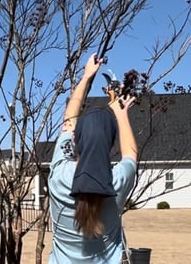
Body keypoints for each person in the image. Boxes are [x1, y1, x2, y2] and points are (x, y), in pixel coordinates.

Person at [48, 53, 138, 263]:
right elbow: (131, 154)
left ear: (76, 141)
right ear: (110, 143)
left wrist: (87, 76)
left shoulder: (60, 173)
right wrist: (121, 113)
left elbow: (69, 120)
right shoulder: (116, 181)